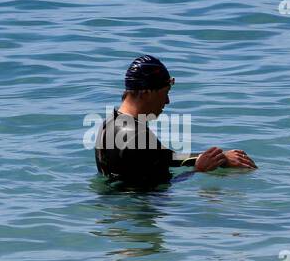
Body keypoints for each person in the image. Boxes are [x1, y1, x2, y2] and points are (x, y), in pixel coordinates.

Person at [94, 55, 257, 188]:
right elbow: (159, 188)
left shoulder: (109, 124)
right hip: (138, 218)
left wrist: (215, 158)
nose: (167, 101)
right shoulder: (137, 135)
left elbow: (164, 157)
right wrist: (199, 170)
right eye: (165, 93)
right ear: (146, 92)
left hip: (117, 213)